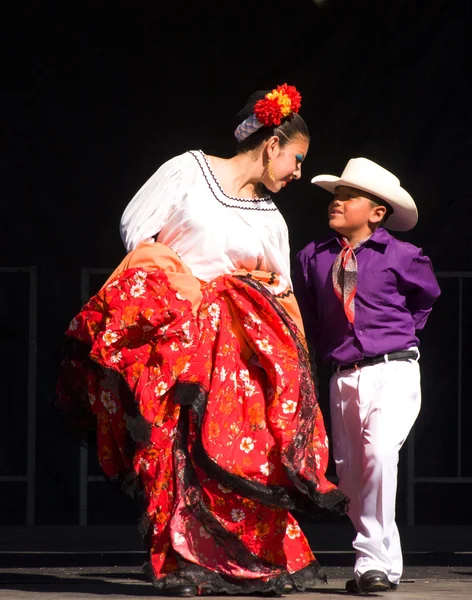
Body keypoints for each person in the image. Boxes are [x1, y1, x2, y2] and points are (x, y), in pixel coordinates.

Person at [55, 84, 348, 597]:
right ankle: (176, 563)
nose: (298, 172)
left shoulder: (271, 219)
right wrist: (182, 287)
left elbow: (282, 288)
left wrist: (297, 362)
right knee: (172, 446)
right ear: (271, 144)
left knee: (234, 453)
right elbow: (135, 228)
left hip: (235, 349)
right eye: (296, 158)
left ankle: (236, 560)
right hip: (178, 332)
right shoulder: (188, 171)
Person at [293, 157, 441, 594]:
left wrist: (399, 337)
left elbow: (424, 298)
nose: (336, 203)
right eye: (335, 196)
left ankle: (371, 559)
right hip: (343, 374)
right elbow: (311, 313)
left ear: (377, 213)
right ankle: (381, 565)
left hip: (393, 369)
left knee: (379, 455)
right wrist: (327, 350)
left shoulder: (403, 255)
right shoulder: (314, 256)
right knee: (352, 473)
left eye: (348, 197)